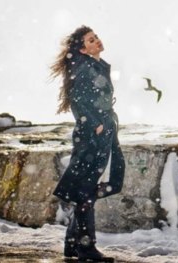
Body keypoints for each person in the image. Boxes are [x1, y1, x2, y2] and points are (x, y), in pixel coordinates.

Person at [50, 25, 125, 262]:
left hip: (101, 133)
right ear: (82, 49)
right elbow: (78, 99)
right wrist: (95, 124)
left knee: (96, 186)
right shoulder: (85, 68)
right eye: (91, 40)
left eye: (96, 37)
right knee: (87, 189)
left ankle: (73, 244)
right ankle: (85, 247)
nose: (97, 41)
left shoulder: (94, 65)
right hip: (93, 136)